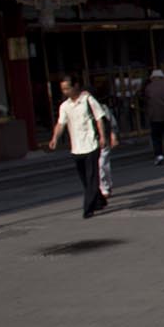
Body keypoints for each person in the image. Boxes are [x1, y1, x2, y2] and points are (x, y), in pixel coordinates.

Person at [47, 74, 116, 219]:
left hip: (91, 144)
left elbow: (99, 119)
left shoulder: (88, 100)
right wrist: (55, 138)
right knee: (84, 178)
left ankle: (88, 208)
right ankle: (99, 200)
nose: (65, 91)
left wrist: (103, 137)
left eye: (67, 88)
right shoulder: (65, 106)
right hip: (76, 147)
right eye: (63, 89)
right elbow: (61, 124)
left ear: (76, 86)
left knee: (92, 177)